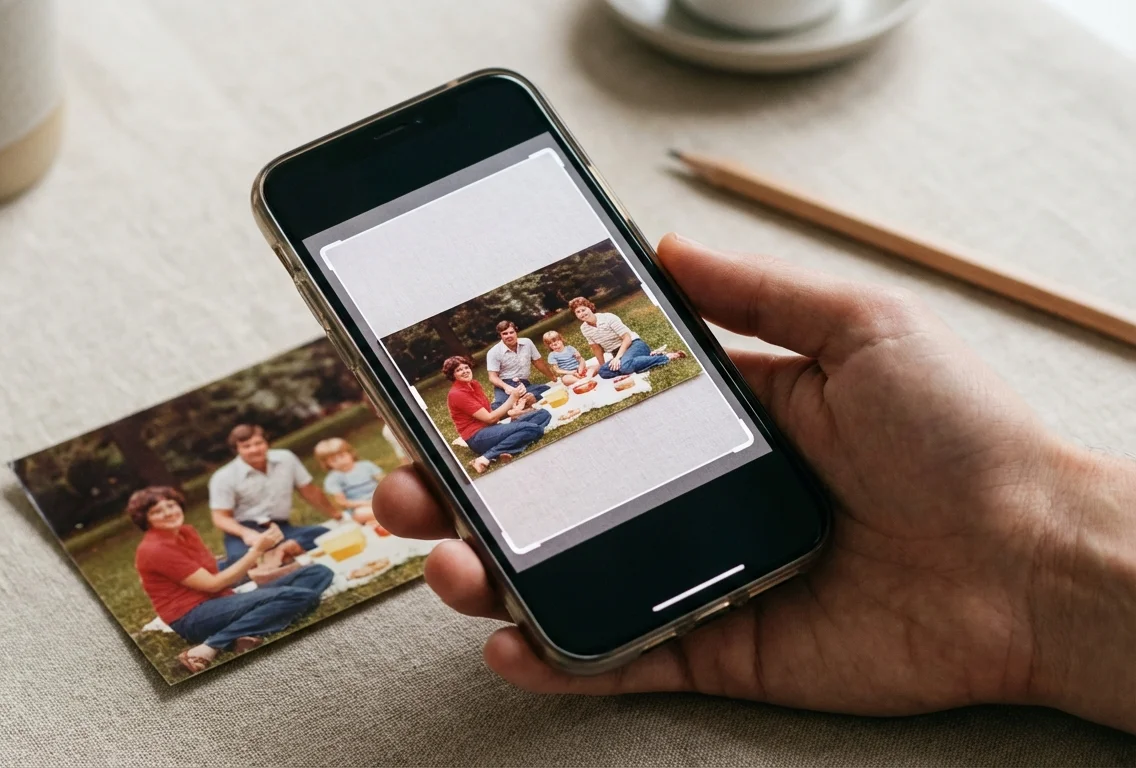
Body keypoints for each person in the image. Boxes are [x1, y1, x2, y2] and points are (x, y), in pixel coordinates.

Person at [372, 235, 1136, 734]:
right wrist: (1043, 585)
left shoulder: (576, 335)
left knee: (599, 384)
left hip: (574, 394)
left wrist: (1036, 556)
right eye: (472, 360)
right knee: (538, 426)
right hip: (530, 411)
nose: (485, 356)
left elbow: (558, 372)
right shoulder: (479, 381)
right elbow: (508, 396)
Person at [128, 486, 335, 674]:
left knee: (318, 572)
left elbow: (212, 569)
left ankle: (240, 635)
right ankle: (209, 646)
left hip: (221, 599)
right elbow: (213, 583)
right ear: (145, 520)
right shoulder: (156, 549)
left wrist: (264, 563)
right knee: (300, 597)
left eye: (170, 505)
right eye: (157, 511)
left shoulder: (184, 532)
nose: (168, 513)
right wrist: (256, 551)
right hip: (193, 616)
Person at [209, 424, 343, 563]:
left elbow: (309, 490)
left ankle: (281, 553)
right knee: (242, 562)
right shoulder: (223, 477)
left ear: (266, 442)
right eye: (246, 446)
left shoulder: (286, 458)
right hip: (245, 531)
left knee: (325, 535)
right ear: (237, 450)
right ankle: (278, 555)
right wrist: (247, 534)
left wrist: (336, 514)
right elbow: (220, 518)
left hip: (281, 528)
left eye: (258, 443)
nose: (254, 449)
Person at [443, 355, 552, 473]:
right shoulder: (457, 394)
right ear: (452, 375)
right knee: (533, 428)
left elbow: (491, 415)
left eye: (466, 367)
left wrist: (515, 409)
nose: (465, 371)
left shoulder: (474, 384)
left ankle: (506, 449)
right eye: (459, 370)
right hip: (478, 437)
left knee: (543, 414)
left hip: (491, 428)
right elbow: (490, 418)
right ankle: (485, 457)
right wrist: (512, 398)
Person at [569, 296, 687, 378]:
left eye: (583, 310)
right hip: (618, 354)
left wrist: (617, 358)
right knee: (604, 372)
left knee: (625, 367)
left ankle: (666, 357)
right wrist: (602, 365)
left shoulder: (608, 317)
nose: (582, 314)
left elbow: (627, 338)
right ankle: (643, 360)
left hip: (634, 345)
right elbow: (596, 348)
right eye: (578, 312)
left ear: (590, 307)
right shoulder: (584, 328)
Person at [485, 320, 555, 408]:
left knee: (546, 389)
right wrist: (506, 387)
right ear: (500, 335)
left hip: (523, 383)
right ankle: (518, 402)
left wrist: (553, 377)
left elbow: (537, 361)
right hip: (504, 384)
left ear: (516, 331)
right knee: (498, 407)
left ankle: (520, 402)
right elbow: (492, 377)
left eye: (511, 332)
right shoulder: (493, 352)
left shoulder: (527, 343)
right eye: (505, 333)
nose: (509, 336)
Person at [315, 437, 382, 524]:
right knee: (361, 514)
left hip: (379, 498)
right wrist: (366, 503)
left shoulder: (366, 466)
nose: (340, 461)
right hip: (360, 506)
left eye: (342, 456)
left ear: (350, 453)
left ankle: (378, 518)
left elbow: (383, 481)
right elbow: (342, 502)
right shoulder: (333, 478)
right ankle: (381, 517)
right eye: (333, 460)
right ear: (327, 464)